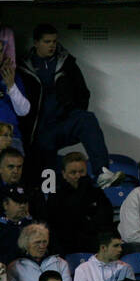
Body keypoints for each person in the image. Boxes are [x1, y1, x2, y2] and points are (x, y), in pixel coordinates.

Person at [16, 25, 122, 190]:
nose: (52, 45)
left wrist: (71, 112)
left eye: (54, 41)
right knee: (46, 182)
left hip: (61, 124)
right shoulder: (23, 66)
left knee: (87, 119)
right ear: (36, 43)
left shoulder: (66, 63)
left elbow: (83, 92)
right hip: (38, 133)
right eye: (47, 41)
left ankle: (103, 173)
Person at [7, 223, 71, 281]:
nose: (42, 246)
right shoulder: (14, 268)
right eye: (37, 242)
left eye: (44, 242)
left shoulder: (60, 263)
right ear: (26, 244)